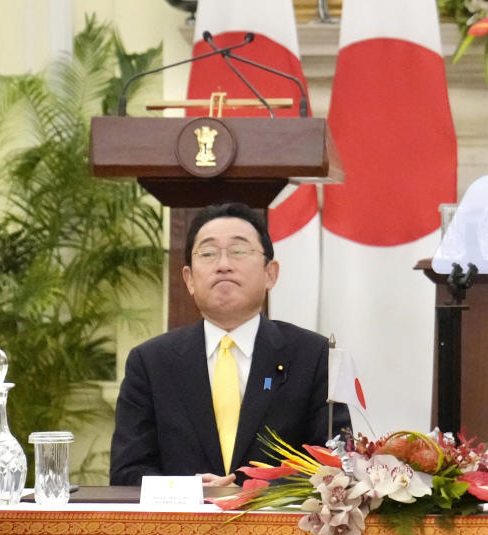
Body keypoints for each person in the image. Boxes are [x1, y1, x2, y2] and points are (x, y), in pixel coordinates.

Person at [110, 202, 350, 486]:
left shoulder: (314, 356)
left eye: (239, 251)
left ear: (270, 274)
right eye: (208, 253)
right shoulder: (150, 362)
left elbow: (335, 464)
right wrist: (188, 492)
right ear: (188, 279)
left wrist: (251, 490)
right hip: (182, 526)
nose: (223, 265)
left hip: (277, 527)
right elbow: (128, 472)